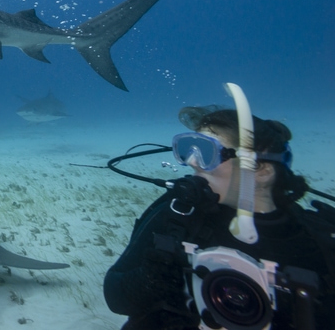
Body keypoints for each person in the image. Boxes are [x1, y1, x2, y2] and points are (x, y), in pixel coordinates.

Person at [104, 106, 335, 330]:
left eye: (207, 152)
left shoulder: (318, 242)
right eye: (189, 148)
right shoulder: (178, 216)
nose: (192, 161)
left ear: (262, 170)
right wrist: (148, 280)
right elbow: (115, 296)